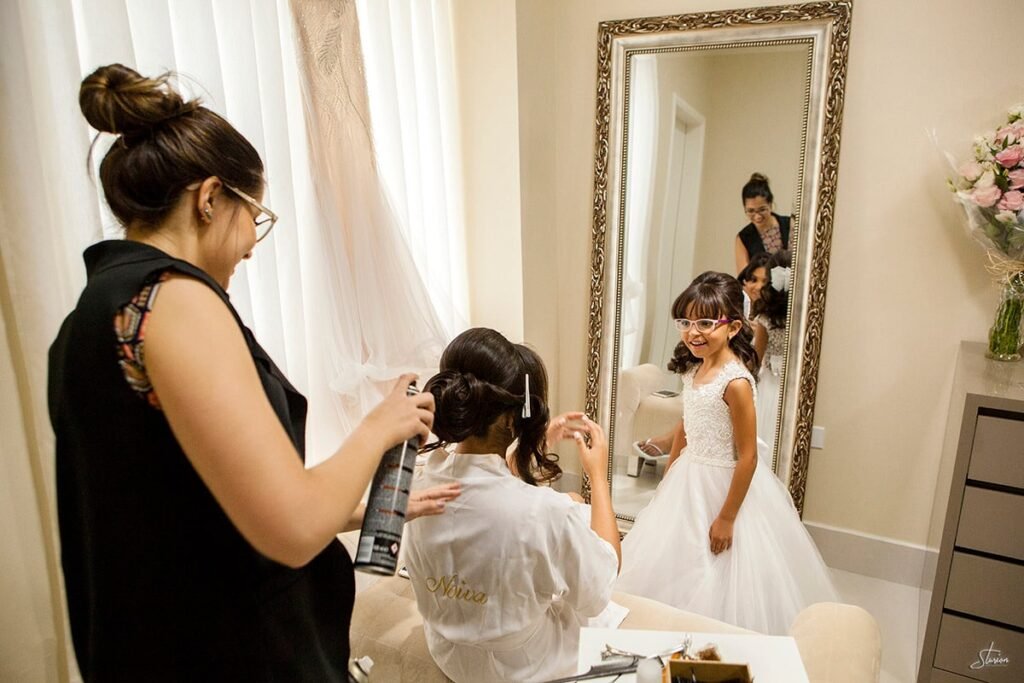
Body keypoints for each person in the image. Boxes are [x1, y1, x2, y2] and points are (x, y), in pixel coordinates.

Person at [48, 64, 458, 681]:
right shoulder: (176, 301)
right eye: (255, 216)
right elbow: (291, 529)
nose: (252, 244)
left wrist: (357, 509)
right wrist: (380, 427)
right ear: (210, 198)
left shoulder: (92, 315)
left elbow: (189, 508)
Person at [614, 272, 837, 635]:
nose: (693, 332)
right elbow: (685, 426)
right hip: (688, 477)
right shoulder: (695, 369)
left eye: (705, 323)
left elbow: (748, 456)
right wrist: (669, 476)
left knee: (715, 565)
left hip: (723, 485)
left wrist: (727, 518)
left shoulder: (736, 382)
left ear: (732, 327)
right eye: (685, 322)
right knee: (674, 557)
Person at [403, 328, 623, 683]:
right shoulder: (545, 513)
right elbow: (598, 592)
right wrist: (598, 476)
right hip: (520, 667)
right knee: (578, 506)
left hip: (450, 653)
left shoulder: (417, 482)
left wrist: (537, 441)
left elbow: (483, 492)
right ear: (511, 419)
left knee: (571, 503)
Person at [750, 251, 792, 443]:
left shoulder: (766, 316)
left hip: (769, 383)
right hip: (792, 383)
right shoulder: (801, 317)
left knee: (765, 430)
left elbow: (756, 359)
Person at [734, 173, 792, 273]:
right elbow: (744, 276)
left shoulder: (789, 224)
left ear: (770, 204)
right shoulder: (743, 238)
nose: (757, 216)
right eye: (751, 211)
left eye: (762, 209)